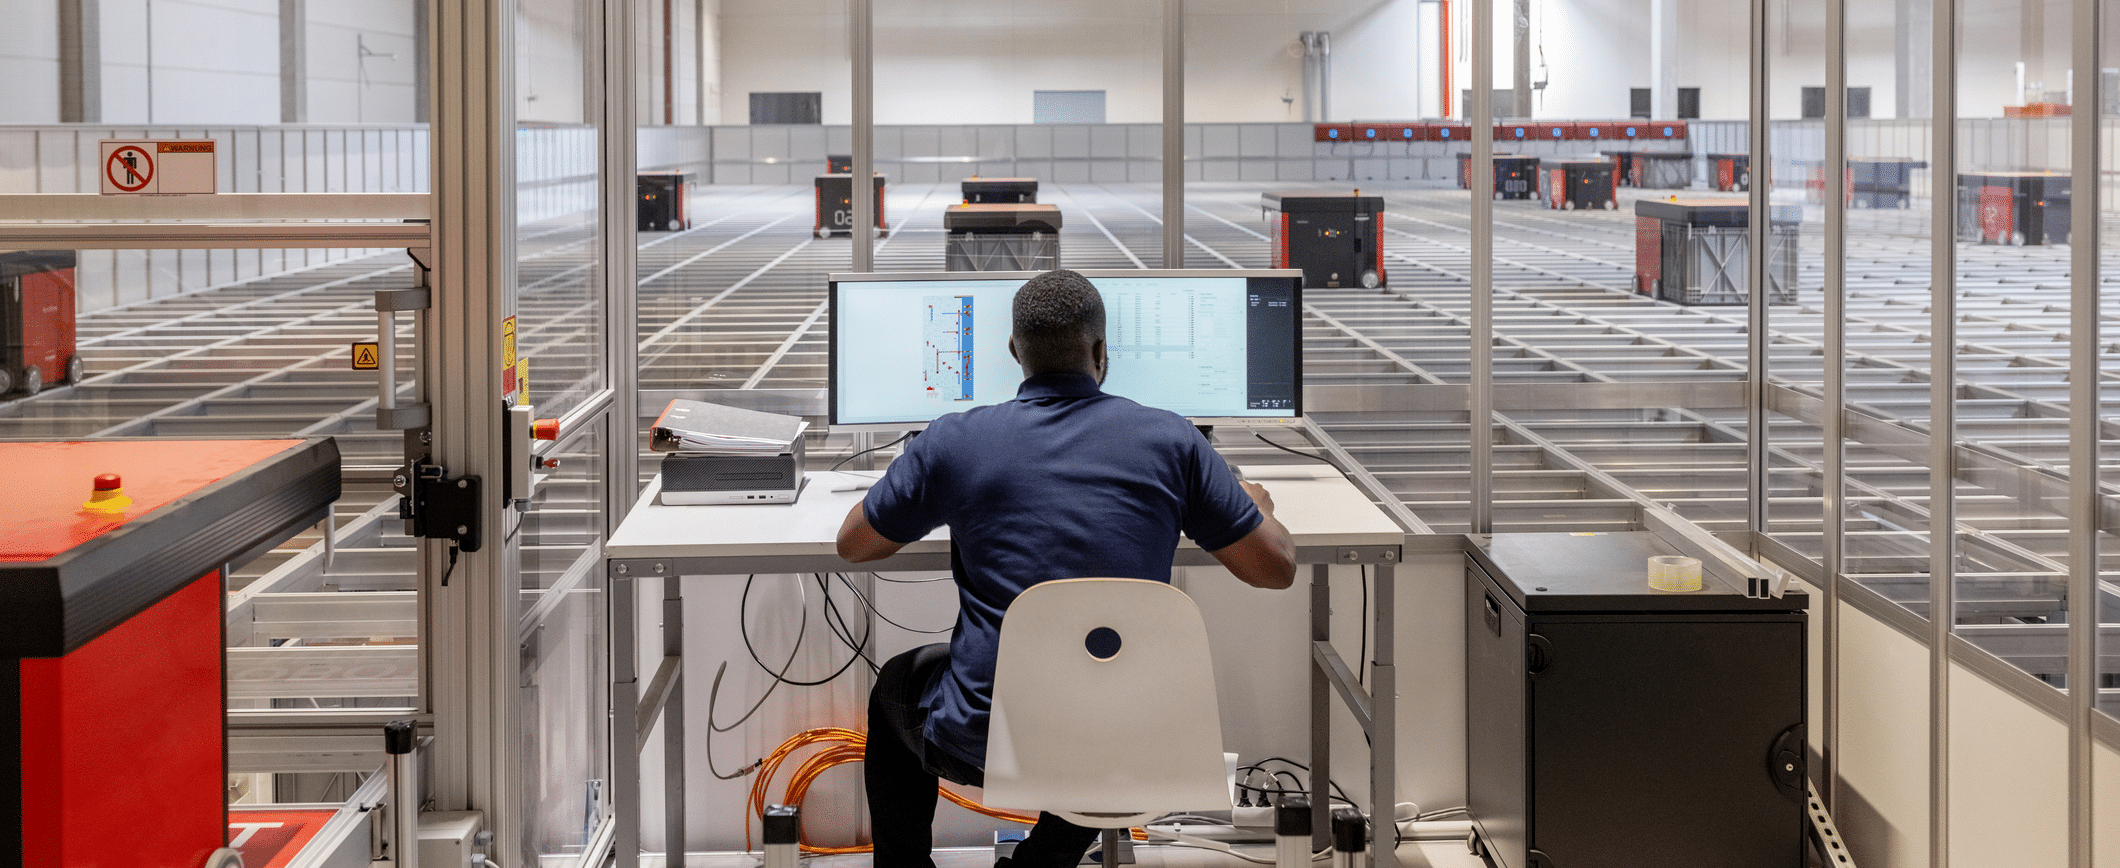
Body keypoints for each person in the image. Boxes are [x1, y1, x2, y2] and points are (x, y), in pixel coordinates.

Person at [836, 269, 1297, 868]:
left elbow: (854, 545)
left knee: (898, 681)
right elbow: (1274, 570)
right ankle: (1042, 861)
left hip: (989, 740)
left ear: (1012, 353)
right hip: (1132, 742)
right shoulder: (1176, 442)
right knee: (1096, 696)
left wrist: (931, 488)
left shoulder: (956, 440)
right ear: (1102, 352)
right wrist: (1251, 505)